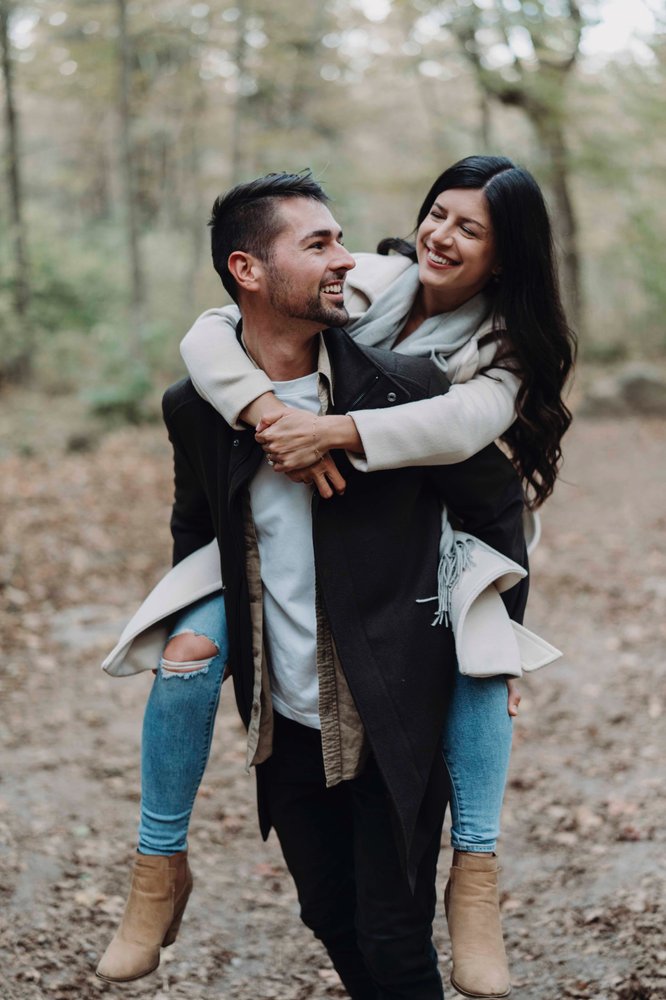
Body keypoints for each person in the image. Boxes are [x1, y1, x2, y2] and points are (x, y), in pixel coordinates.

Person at [97, 170, 531, 998]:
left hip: (394, 703)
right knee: (328, 911)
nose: (346, 259)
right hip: (285, 711)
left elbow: (496, 507)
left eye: (341, 240)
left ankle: (475, 882)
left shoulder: (410, 388)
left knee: (392, 934)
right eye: (320, 244)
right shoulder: (198, 405)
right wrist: (215, 633)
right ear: (247, 271)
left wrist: (497, 638)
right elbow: (197, 527)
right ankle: (159, 868)